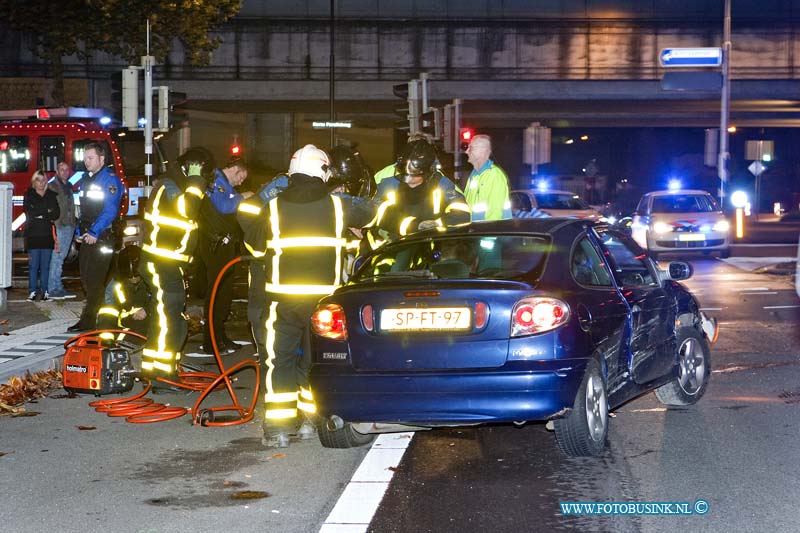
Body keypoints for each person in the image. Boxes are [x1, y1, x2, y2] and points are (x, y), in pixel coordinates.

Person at [237, 144, 371, 448]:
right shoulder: (338, 207)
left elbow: (255, 248)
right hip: (324, 302)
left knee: (278, 360)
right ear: (322, 171)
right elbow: (377, 213)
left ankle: (279, 429)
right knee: (316, 362)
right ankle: (313, 420)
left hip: (283, 300)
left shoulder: (273, 207)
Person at [138, 147, 213, 379]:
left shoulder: (177, 185)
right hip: (161, 262)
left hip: (169, 263)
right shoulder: (170, 186)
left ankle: (157, 370)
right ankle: (161, 374)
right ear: (192, 167)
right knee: (168, 319)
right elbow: (188, 210)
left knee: (169, 318)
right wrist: (195, 180)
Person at [365, 138, 470, 249]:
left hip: (428, 247)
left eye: (414, 176)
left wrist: (437, 224)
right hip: (394, 245)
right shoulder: (389, 184)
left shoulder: (442, 185)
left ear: (428, 173)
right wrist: (415, 226)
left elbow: (462, 213)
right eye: (405, 174)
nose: (408, 180)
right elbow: (377, 213)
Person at [197, 157, 254, 355]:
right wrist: (243, 196)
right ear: (235, 170)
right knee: (217, 292)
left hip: (225, 245)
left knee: (224, 293)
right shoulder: (215, 181)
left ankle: (219, 337)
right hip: (215, 246)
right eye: (241, 178)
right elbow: (224, 207)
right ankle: (210, 340)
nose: (240, 183)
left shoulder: (223, 185)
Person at [68, 143, 123, 332]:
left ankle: (90, 322)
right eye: (85, 157)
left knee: (94, 281)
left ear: (101, 159)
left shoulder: (110, 180)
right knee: (85, 278)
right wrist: (78, 233)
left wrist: (94, 232)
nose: (86, 161)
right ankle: (88, 319)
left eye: (90, 158)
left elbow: (110, 210)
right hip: (87, 235)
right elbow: (82, 210)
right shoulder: (85, 180)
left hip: (102, 237)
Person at [97, 245, 151, 342]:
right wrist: (107, 337)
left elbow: (166, 302)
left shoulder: (153, 281)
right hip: (124, 321)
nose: (133, 278)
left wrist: (147, 310)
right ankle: (107, 342)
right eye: (130, 276)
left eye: (136, 275)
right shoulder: (116, 284)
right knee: (105, 315)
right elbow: (108, 308)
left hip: (147, 319)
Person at [23, 170, 60, 301]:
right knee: (33, 266)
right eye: (38, 180)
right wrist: (46, 212)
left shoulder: (51, 195)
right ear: (34, 181)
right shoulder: (29, 195)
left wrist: (41, 214)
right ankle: (32, 291)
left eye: (43, 180)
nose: (41, 183)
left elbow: (56, 213)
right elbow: (29, 211)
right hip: (33, 234)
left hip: (46, 235)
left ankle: (45, 292)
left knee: (45, 266)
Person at [464, 134, 512, 221]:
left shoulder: (494, 176)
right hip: (475, 231)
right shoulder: (474, 175)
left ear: (483, 151)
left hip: (488, 233)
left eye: (471, 148)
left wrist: (486, 233)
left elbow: (495, 215)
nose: (466, 151)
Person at [47, 161, 77, 300]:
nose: (64, 172)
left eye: (66, 169)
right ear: (57, 172)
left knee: (60, 258)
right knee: (57, 258)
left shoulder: (68, 187)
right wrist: (55, 223)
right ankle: (53, 289)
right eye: (61, 170)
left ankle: (57, 287)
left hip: (68, 226)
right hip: (60, 226)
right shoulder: (53, 186)